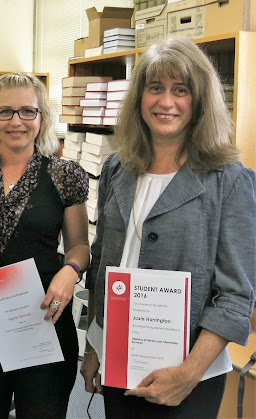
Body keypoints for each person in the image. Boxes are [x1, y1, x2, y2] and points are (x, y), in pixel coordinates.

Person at [80, 37, 256, 418]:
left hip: (189, 375)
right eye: (155, 88)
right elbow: (101, 265)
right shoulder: (116, 169)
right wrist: (94, 345)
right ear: (139, 97)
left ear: (200, 99)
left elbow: (236, 296)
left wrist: (188, 375)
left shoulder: (229, 180)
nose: (165, 102)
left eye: (181, 90)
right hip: (118, 362)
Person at [0, 72, 90, 417]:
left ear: (42, 118)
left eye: (28, 111)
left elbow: (80, 246)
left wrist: (70, 272)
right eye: (5, 111)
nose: (16, 121)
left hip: (44, 321)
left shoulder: (65, 175)